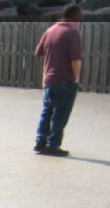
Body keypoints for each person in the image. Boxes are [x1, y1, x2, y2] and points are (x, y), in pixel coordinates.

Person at [33, 4, 83, 157]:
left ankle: (40, 142)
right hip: (65, 79)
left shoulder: (50, 30)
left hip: (49, 79)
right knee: (60, 114)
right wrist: (76, 79)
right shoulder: (72, 33)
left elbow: (38, 52)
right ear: (75, 18)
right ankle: (53, 145)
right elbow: (75, 60)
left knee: (47, 112)